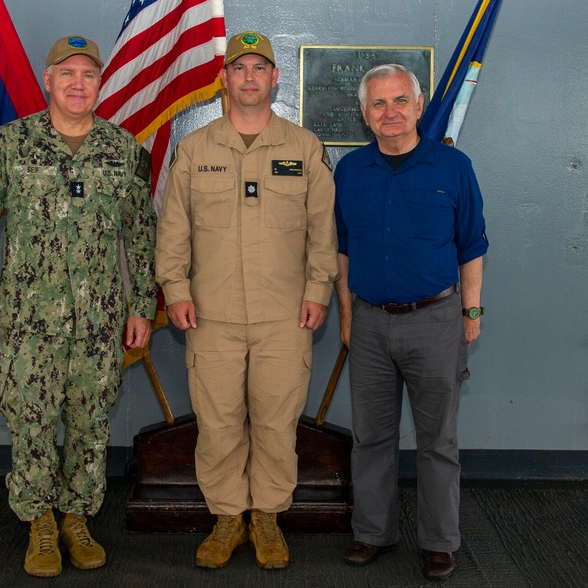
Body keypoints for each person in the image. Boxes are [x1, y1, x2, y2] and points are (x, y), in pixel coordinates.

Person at [0, 36, 157, 578]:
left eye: (88, 74)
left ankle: (77, 518)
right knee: (32, 421)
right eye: (67, 73)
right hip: (27, 322)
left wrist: (142, 308)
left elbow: (141, 238)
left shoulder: (125, 152)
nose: (77, 83)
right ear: (47, 80)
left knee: (90, 424)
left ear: (99, 83)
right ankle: (39, 521)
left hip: (99, 321)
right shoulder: (8, 146)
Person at [155, 31, 339, 570]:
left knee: (278, 423)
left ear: (275, 77)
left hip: (286, 316)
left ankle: (267, 516)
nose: (251, 77)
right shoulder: (195, 150)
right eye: (240, 68)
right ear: (226, 79)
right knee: (217, 422)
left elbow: (322, 230)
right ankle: (227, 516)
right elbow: (173, 232)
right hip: (210, 316)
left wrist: (319, 290)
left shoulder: (304, 148)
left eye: (261, 68)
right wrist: (176, 291)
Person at [333, 63, 487, 582]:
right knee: (371, 437)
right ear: (364, 114)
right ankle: (372, 531)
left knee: (436, 440)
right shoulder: (350, 172)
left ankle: (440, 541)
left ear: (420, 106)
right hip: (371, 324)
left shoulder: (453, 167)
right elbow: (342, 251)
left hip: (436, 320)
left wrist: (471, 312)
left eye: (400, 100)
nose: (390, 112)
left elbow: (472, 245)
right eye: (378, 104)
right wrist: (349, 318)